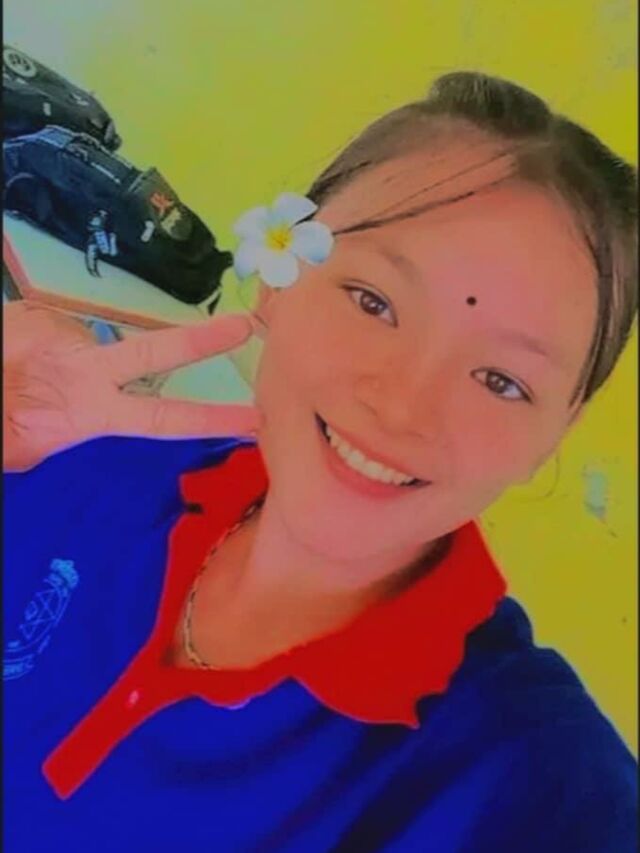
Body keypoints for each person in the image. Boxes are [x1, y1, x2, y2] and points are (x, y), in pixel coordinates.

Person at [3, 72, 637, 852]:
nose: (402, 406)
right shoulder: (85, 460)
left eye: (502, 380)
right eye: (374, 301)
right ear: (277, 276)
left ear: (557, 431)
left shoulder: (530, 780)